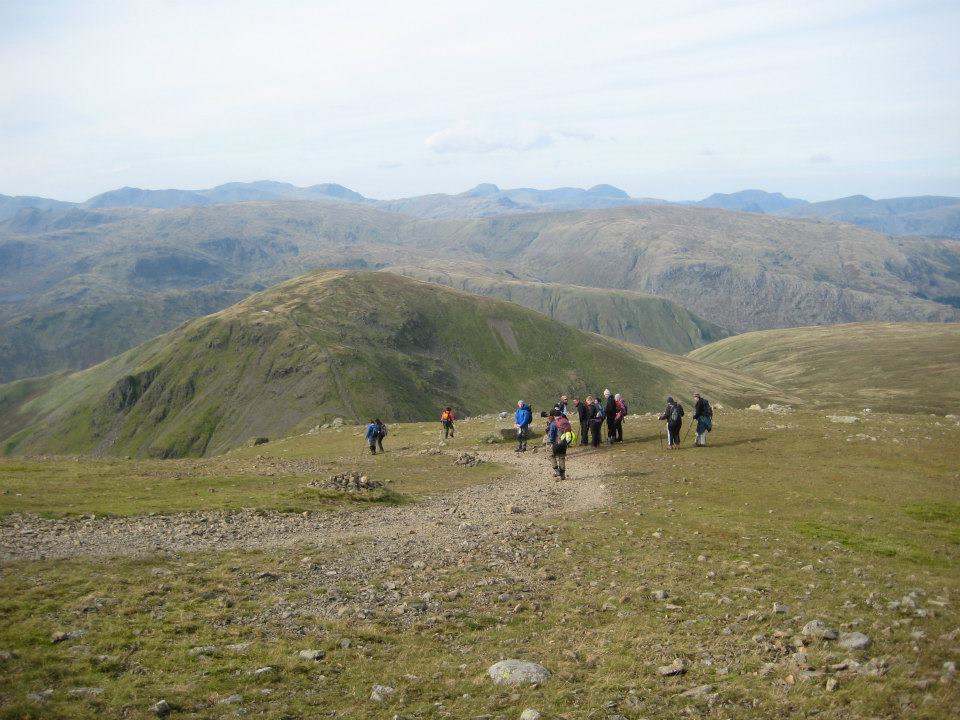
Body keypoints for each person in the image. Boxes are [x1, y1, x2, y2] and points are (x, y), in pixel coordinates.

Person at [546, 409, 575, 480]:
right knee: (561, 457)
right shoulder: (565, 421)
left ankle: (557, 471)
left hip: (556, 443)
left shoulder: (553, 423)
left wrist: (551, 441)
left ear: (554, 416)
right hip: (564, 443)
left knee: (551, 456)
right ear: (561, 415)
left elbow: (551, 435)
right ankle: (563, 475)